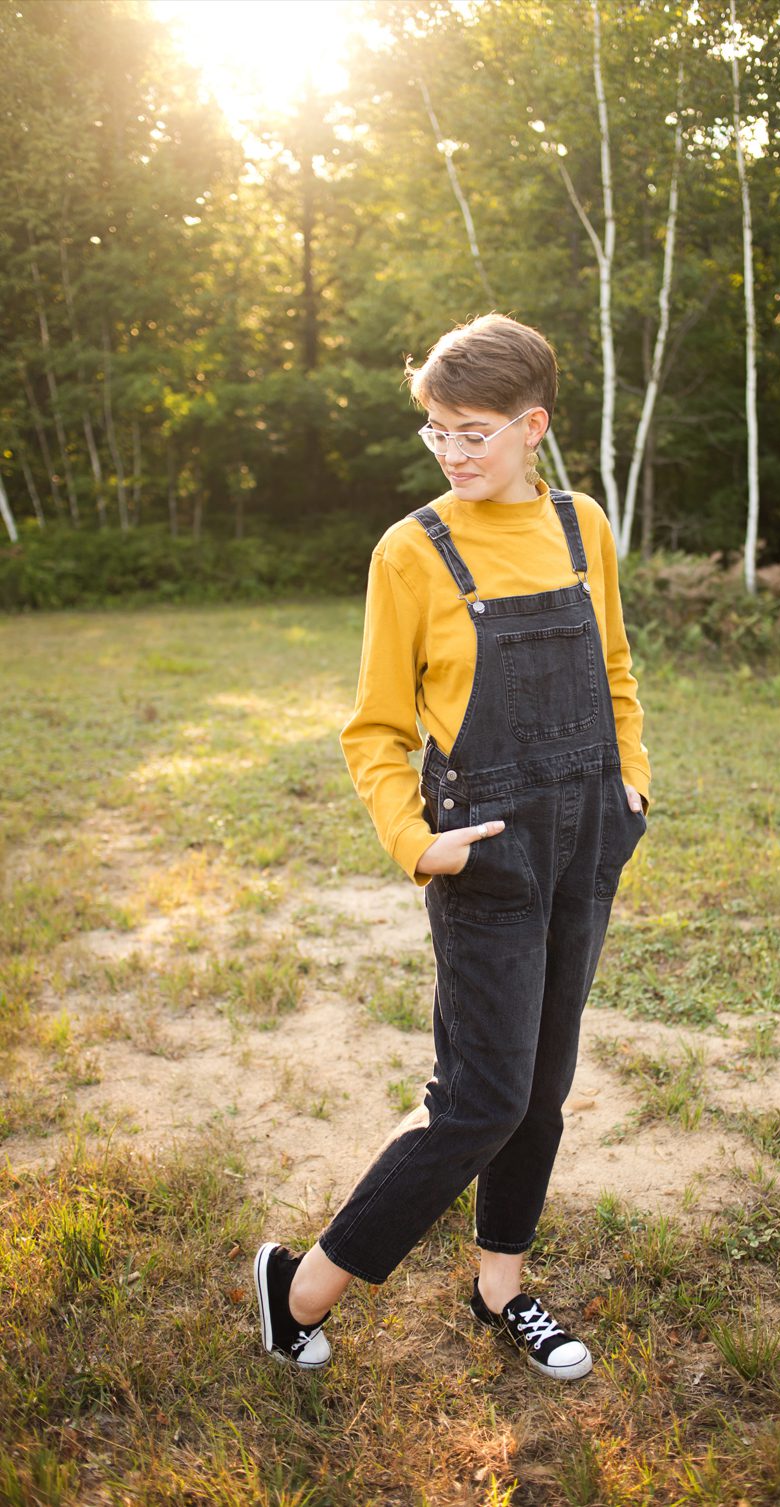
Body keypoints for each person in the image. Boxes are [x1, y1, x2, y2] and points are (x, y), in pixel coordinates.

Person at [252, 312, 653, 1380]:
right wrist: (415, 843)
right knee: (481, 1095)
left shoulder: (584, 528)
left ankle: (500, 1289)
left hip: (588, 836)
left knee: (545, 1084)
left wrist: (631, 785)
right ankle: (298, 1288)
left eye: (472, 431)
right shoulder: (411, 550)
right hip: (484, 848)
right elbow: (375, 728)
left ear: (533, 426)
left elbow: (614, 670)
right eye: (436, 431)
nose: (452, 451)